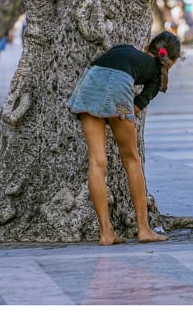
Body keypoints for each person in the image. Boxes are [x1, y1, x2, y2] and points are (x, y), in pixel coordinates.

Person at [66, 31, 183, 245]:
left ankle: (106, 233)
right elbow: (133, 109)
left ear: (147, 47)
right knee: (131, 159)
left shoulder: (123, 48)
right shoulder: (157, 78)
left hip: (89, 86)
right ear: (172, 62)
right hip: (119, 96)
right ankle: (144, 229)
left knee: (97, 161)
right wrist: (114, 112)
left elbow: (105, 72)